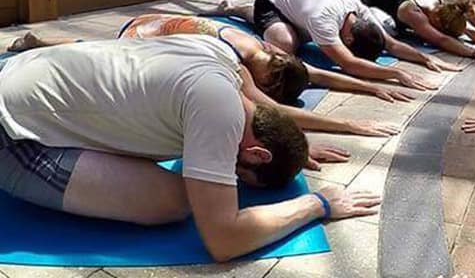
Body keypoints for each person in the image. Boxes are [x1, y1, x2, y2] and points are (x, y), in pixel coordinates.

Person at [0, 35, 380, 262]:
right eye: (240, 175)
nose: (232, 179)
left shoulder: (222, 62)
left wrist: (295, 145)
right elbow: (224, 239)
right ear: (255, 154)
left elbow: (268, 111)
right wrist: (320, 204)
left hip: (22, 70)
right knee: (175, 201)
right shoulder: (218, 113)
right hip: (12, 133)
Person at [7, 13, 411, 140]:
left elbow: (320, 75)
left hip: (158, 27)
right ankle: (38, 43)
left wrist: (372, 85)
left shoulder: (267, 52)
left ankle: (39, 42)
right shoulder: (243, 61)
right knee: (94, 56)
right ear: (270, 79)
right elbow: (265, 109)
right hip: (142, 36)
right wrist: (350, 124)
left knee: (87, 50)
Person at [218, 0, 459, 91]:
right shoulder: (323, 21)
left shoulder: (361, 13)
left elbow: (393, 44)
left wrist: (424, 59)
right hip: (271, 0)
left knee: (302, 35)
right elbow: (349, 64)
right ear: (349, 40)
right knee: (285, 44)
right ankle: (241, 10)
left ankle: (247, 11)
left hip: (301, 7)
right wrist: (396, 73)